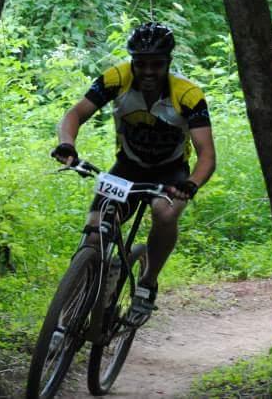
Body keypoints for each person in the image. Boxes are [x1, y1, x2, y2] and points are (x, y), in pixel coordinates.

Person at [51, 22, 216, 326]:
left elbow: (206, 153)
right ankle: (88, 293)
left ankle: (148, 283)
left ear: (168, 62)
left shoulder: (188, 95)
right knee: (94, 233)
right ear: (133, 62)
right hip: (127, 168)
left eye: (157, 65)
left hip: (171, 172)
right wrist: (67, 144)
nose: (149, 71)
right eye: (141, 64)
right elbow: (74, 115)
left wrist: (191, 183)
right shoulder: (116, 78)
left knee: (164, 215)